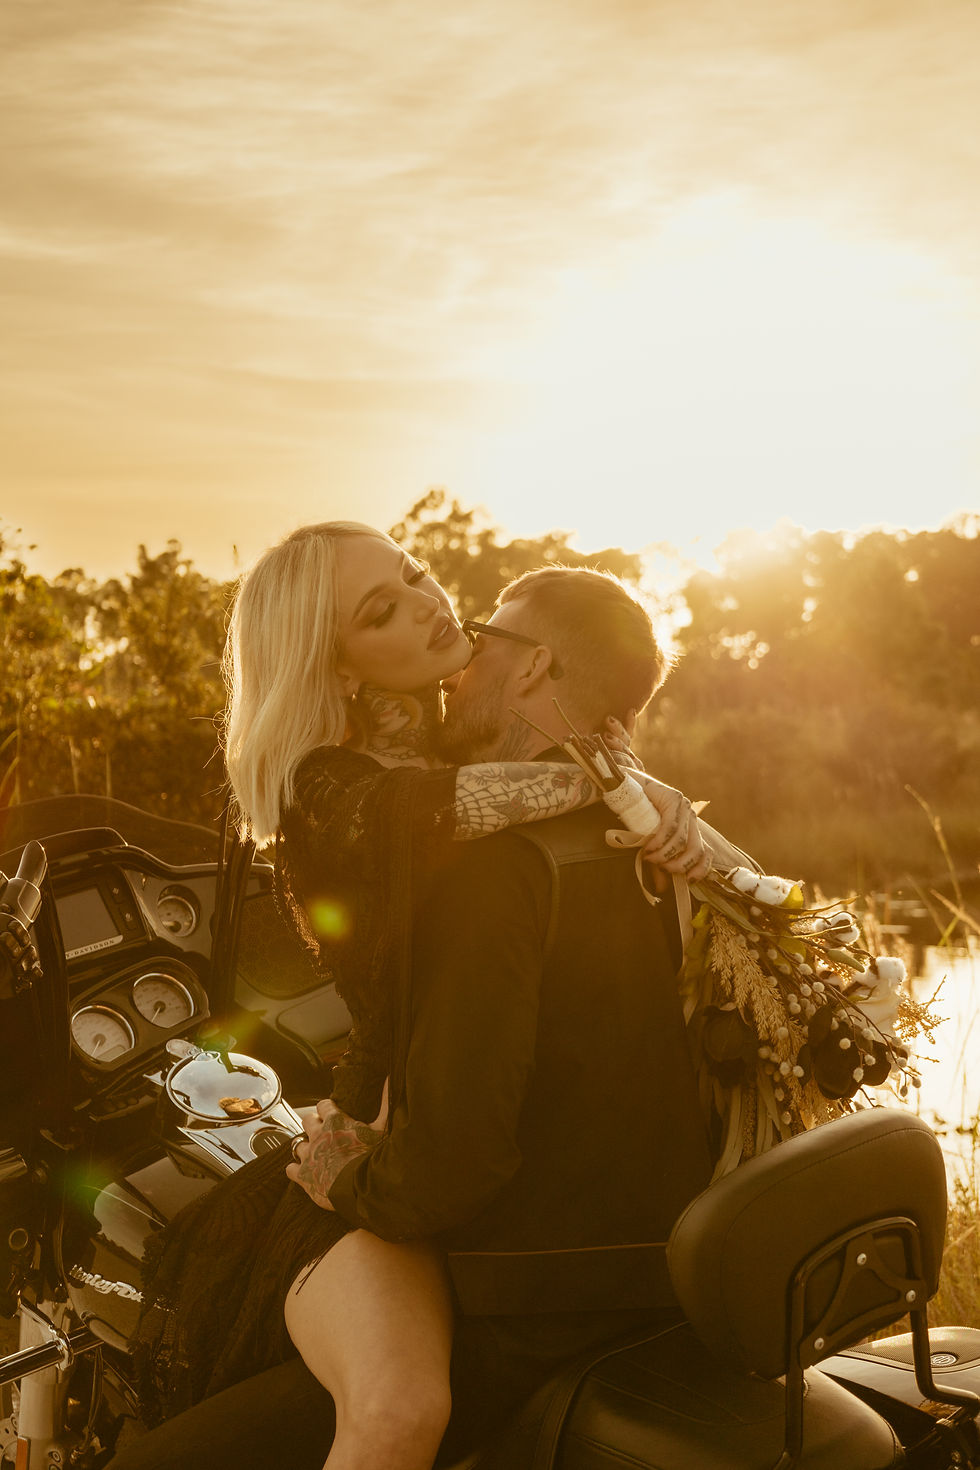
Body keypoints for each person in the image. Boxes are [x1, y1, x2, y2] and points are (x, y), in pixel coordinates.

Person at [112, 525, 709, 1470]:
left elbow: (538, 750)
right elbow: (452, 811)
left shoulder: (458, 724)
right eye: (379, 612)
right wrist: (628, 786)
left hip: (451, 1154)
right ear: (340, 666)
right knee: (396, 1412)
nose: (428, 604)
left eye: (416, 575)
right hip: (372, 1149)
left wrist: (645, 791)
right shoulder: (330, 786)